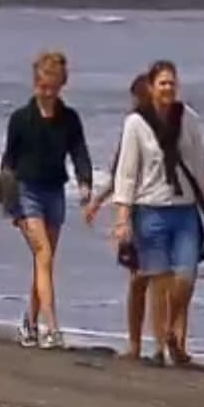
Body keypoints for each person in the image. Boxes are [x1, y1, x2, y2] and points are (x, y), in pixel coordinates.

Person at [111, 60, 204, 367]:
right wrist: (122, 217)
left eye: (172, 82)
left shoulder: (188, 118)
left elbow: (199, 163)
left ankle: (170, 332)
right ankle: (160, 347)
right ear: (151, 87)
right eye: (162, 83)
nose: (167, 88)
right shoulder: (136, 123)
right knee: (158, 279)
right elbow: (127, 173)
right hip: (150, 209)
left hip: (184, 210)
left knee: (186, 277)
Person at [0, 50, 93, 350]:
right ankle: (52, 328)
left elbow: (79, 152)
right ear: (35, 82)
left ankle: (29, 322)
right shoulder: (20, 119)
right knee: (44, 256)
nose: (47, 91)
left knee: (44, 262)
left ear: (61, 85)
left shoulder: (70, 119)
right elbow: (8, 164)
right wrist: (10, 206)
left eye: (53, 86)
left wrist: (85, 183)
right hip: (27, 192)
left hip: (55, 193)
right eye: (43, 85)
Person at [86, 75, 153, 360]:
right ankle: (138, 343)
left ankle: (167, 341)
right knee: (140, 278)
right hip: (136, 209)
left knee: (160, 279)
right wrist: (99, 201)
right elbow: (120, 173)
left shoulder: (172, 124)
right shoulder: (133, 127)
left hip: (161, 207)